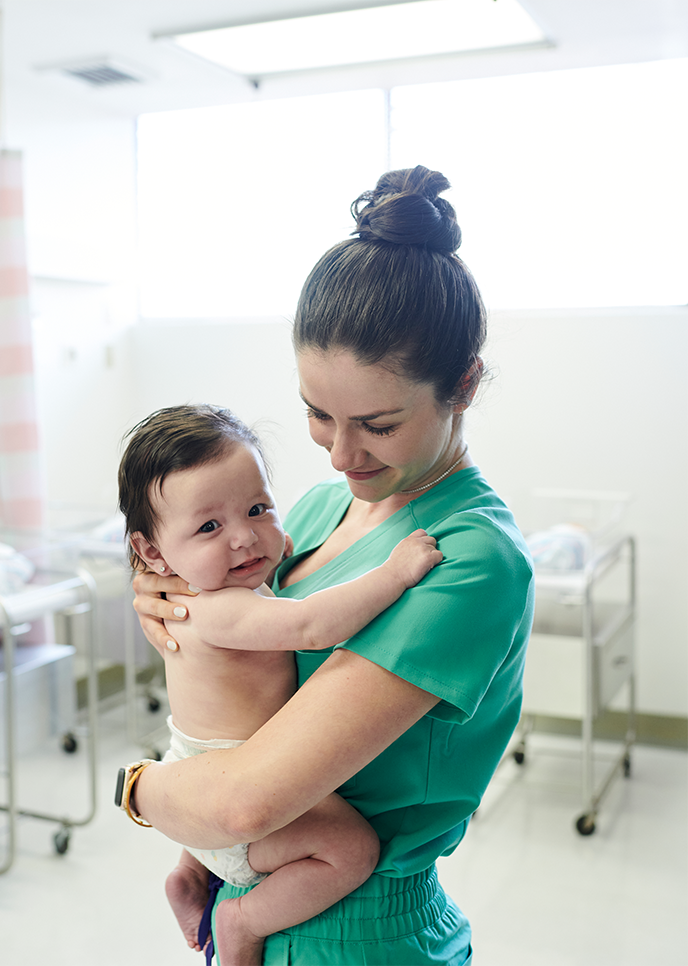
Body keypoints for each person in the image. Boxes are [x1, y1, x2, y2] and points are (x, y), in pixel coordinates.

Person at [128, 165, 535, 965]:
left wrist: (138, 790)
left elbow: (247, 802)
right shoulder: (313, 512)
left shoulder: (470, 559)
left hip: (359, 932)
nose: (341, 453)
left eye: (377, 424)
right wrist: (167, 601)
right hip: (245, 892)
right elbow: (231, 645)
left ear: (462, 385)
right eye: (318, 415)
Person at [117, 403, 443, 966]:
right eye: (210, 526)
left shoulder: (206, 585)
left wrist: (266, 543)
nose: (246, 539)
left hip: (192, 760)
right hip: (232, 784)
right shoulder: (216, 612)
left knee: (218, 829)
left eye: (258, 508)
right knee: (351, 849)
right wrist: (393, 574)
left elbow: (262, 557)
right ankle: (241, 918)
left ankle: (190, 873)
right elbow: (310, 625)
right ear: (152, 552)